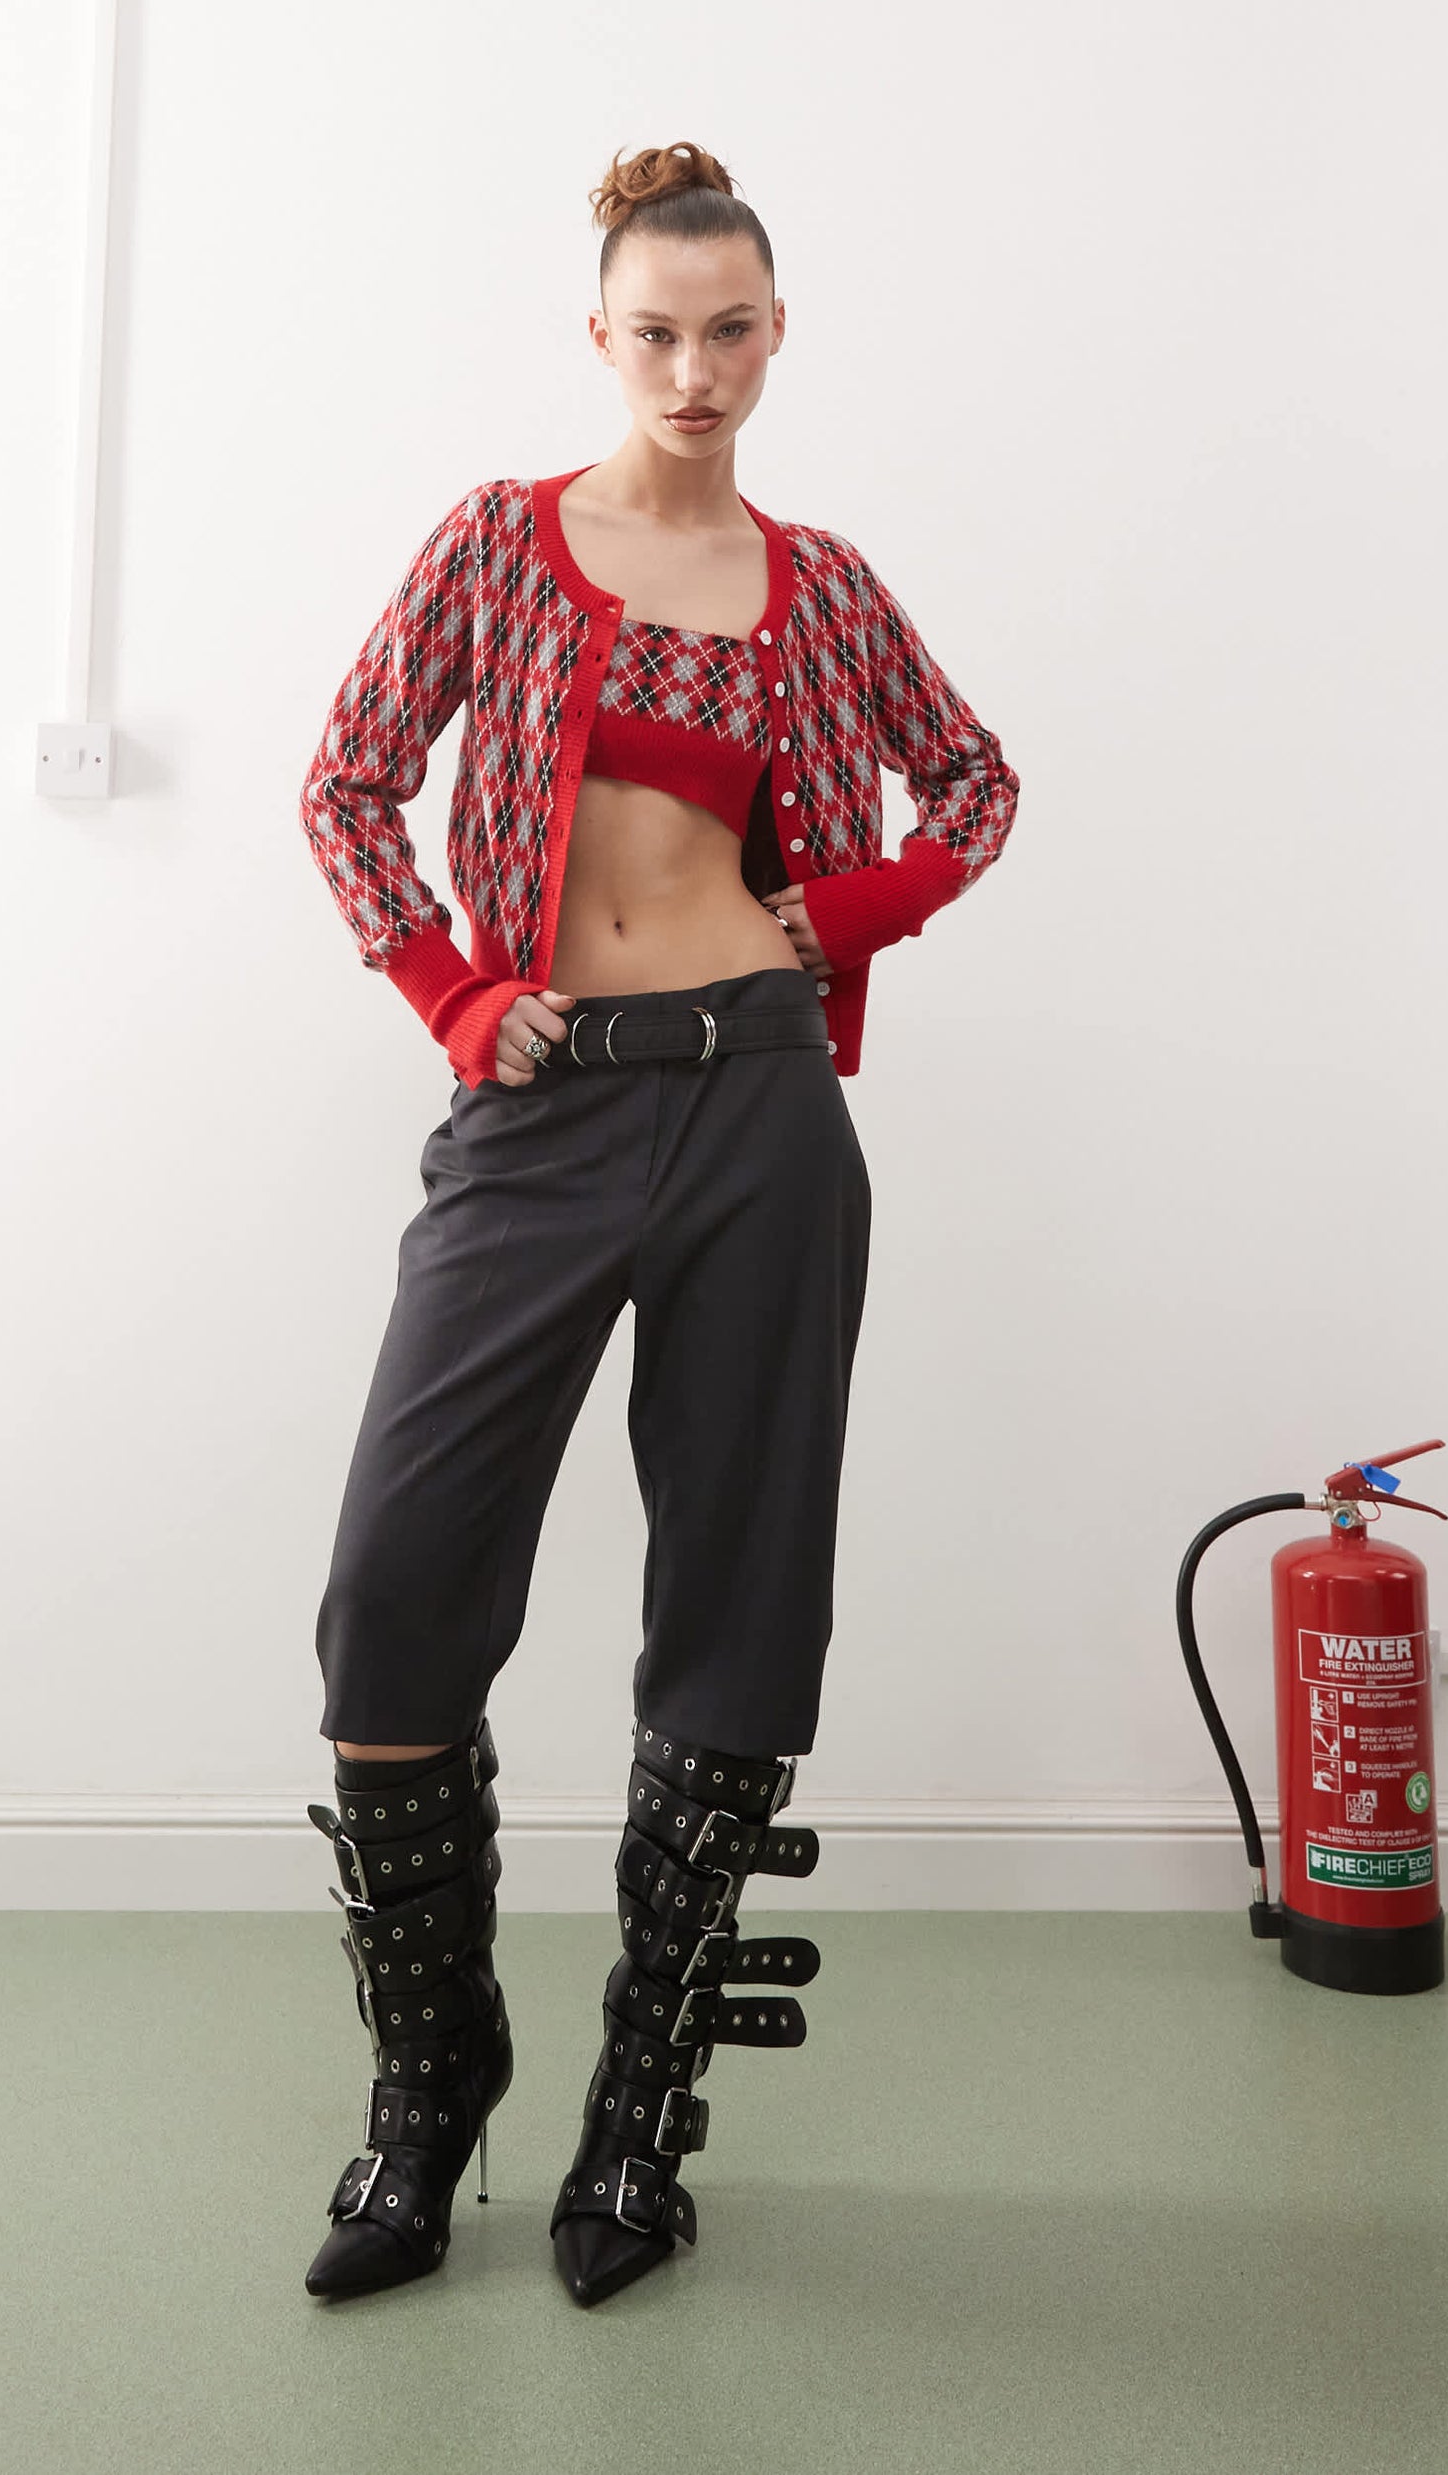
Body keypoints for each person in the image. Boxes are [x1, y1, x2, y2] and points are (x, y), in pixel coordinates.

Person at [296, 139, 1020, 2308]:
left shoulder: (821, 586)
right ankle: (435, 2080)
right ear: (596, 336)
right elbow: (348, 781)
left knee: (737, 1590)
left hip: (759, 1110)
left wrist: (846, 912)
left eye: (728, 332)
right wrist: (456, 996)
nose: (691, 371)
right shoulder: (498, 543)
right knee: (392, 1597)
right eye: (652, 333)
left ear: (775, 334)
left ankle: (640, 2112)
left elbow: (973, 783)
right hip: (535, 1118)